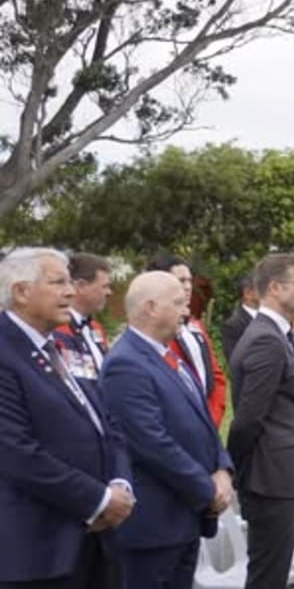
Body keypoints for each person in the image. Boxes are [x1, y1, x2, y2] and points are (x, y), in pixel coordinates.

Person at [0, 247, 134, 588]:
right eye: (58, 282)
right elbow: (15, 451)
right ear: (21, 291)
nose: (71, 292)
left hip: (93, 541)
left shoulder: (56, 345)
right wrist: (98, 499)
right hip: (39, 551)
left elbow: (106, 421)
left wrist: (119, 483)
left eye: (70, 283)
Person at [101, 272, 234, 588]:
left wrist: (222, 469)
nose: (186, 312)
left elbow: (202, 420)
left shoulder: (167, 353)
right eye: (178, 304)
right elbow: (150, 443)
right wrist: (207, 489)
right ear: (151, 307)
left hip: (183, 519)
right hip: (153, 526)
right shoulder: (126, 364)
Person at [227, 253, 294, 589]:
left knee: (272, 571)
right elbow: (248, 419)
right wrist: (235, 467)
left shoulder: (277, 333)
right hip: (271, 477)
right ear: (275, 288)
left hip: (280, 473)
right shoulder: (265, 338)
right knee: (268, 576)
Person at [147, 255, 227, 427]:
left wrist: (211, 420)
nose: (188, 287)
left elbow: (217, 377)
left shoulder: (196, 326)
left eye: (190, 280)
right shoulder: (152, 330)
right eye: (181, 280)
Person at [53, 252, 113, 381]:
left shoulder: (96, 328)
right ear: (80, 286)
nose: (109, 292)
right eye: (105, 286)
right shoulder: (56, 328)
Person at [221, 274, 258, 361]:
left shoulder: (269, 318)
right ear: (248, 293)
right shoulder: (233, 324)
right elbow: (235, 359)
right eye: (261, 288)